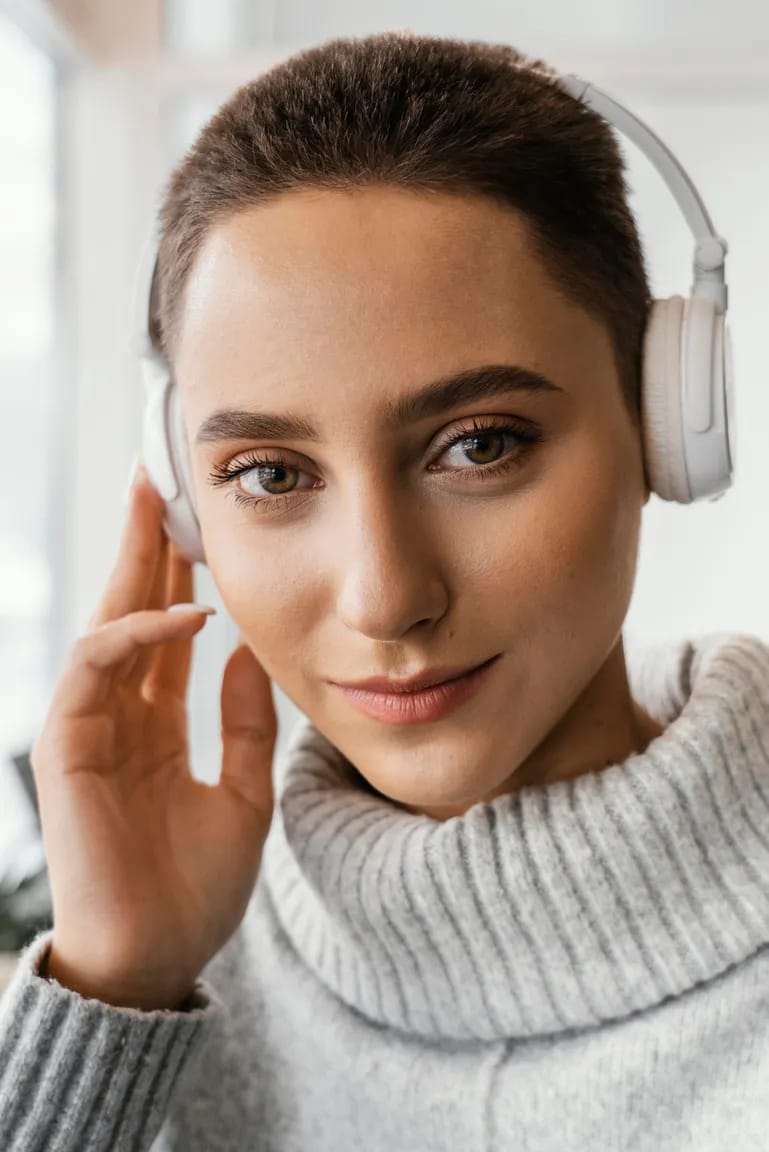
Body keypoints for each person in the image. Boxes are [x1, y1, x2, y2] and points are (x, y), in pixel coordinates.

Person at [1, 29, 768, 1152]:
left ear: (663, 420)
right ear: (184, 503)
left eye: (479, 445)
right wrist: (114, 994)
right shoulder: (161, 966)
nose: (383, 597)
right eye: (268, 474)